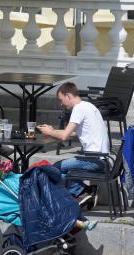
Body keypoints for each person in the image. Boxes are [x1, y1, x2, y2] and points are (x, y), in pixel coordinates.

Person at [37, 81, 110, 209]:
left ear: (68, 95)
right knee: (60, 171)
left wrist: (49, 132)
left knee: (54, 169)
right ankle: (85, 191)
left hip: (93, 159)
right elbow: (72, 133)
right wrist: (52, 131)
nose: (61, 104)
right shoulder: (88, 106)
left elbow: (64, 136)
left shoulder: (78, 109)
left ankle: (83, 191)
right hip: (102, 158)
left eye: (61, 100)